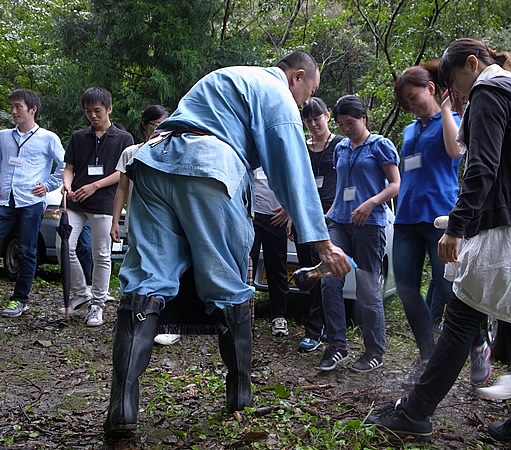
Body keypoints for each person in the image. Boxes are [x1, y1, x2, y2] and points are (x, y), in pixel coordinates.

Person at [103, 50, 351, 437]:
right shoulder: (275, 91)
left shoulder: (230, 76)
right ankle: (239, 397)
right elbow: (293, 166)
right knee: (228, 285)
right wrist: (323, 245)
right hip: (208, 166)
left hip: (153, 161)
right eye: (309, 92)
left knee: (145, 283)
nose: (304, 105)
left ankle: (122, 410)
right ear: (297, 77)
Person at [369, 38, 511, 449]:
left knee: (461, 316)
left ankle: (415, 412)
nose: (454, 91)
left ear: (473, 64)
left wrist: (456, 228)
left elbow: (481, 168)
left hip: (506, 229)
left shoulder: (488, 93)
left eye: (453, 80)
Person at [392, 61, 491, 390]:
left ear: (431, 88)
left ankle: (478, 345)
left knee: (448, 288)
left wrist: (447, 109)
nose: (409, 105)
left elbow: (453, 152)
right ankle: (426, 358)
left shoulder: (455, 120)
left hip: (439, 218)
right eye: (404, 102)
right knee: (407, 289)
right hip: (407, 217)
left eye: (413, 97)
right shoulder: (409, 130)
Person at [318, 95, 400, 373]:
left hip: (370, 224)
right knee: (329, 281)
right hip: (339, 222)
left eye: (350, 122)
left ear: (363, 118)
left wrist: (371, 203)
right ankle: (337, 345)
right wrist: (328, 213)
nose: (346, 129)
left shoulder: (380, 146)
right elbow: (342, 187)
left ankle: (374, 350)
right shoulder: (341, 148)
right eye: (340, 124)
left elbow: (396, 184)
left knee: (367, 288)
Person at [62, 87, 134, 326]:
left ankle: (98, 304)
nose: (93, 116)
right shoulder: (78, 137)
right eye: (88, 111)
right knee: (64, 246)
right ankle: (81, 292)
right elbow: (69, 167)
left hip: (104, 202)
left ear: (109, 109)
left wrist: (95, 186)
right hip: (75, 201)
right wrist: (66, 184)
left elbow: (121, 173)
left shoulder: (124, 139)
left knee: (101, 254)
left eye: (97, 111)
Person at [109, 104, 174, 344]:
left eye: (164, 126)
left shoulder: (171, 150)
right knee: (136, 268)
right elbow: (122, 189)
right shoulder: (130, 152)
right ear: (144, 126)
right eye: (155, 125)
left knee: (166, 269)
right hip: (137, 220)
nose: (159, 130)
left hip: (165, 222)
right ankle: (134, 317)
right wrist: (115, 221)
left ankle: (168, 323)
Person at [0, 89, 65, 317]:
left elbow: (66, 166)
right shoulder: (3, 136)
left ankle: (19, 299)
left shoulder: (48, 138)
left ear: (32, 109)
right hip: (4, 201)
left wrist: (48, 185)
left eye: (18, 106)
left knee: (27, 250)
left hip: (31, 202)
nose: (14, 111)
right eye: (12, 106)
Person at [292, 97, 343, 352]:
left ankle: (315, 330)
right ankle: (318, 326)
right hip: (306, 216)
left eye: (317, 118)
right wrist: (292, 214)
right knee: (308, 274)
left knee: (323, 273)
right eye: (308, 120)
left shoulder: (340, 146)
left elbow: (347, 183)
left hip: (331, 218)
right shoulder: (302, 146)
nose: (313, 123)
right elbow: (297, 183)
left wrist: (333, 211)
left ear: (327, 117)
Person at [250, 167, 291, 336]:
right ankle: (244, 316)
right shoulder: (251, 148)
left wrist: (288, 209)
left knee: (277, 266)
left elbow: (294, 181)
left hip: (276, 217)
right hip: (251, 216)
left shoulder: (281, 151)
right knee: (246, 267)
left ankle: (279, 317)